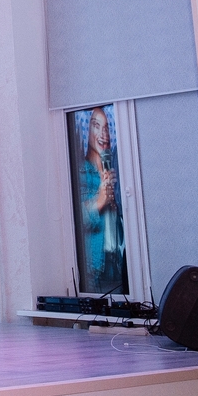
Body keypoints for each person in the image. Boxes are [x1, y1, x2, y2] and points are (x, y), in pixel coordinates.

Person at [79, 106, 126, 294]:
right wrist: (99, 201)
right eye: (96, 126)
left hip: (116, 264)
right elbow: (76, 222)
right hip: (94, 269)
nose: (103, 134)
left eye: (106, 127)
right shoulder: (80, 171)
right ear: (86, 131)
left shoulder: (113, 169)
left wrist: (114, 202)